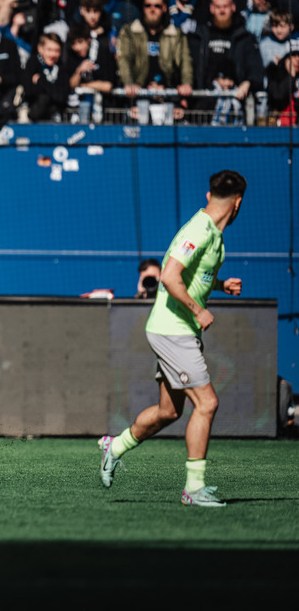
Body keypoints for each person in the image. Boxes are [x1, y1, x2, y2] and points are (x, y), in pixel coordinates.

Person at [98, 170, 247, 507]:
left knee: (169, 411)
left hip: (177, 329)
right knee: (207, 404)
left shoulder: (211, 233)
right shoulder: (199, 229)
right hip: (173, 330)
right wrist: (198, 310)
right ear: (237, 204)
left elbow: (192, 273)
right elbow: (169, 275)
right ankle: (193, 490)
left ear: (211, 197)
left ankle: (115, 446)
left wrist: (221, 286)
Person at [116, 0, 194, 124]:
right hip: (138, 96)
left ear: (164, 8)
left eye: (157, 6)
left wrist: (186, 84)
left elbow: (185, 61)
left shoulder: (176, 34)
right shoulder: (129, 31)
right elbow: (124, 59)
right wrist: (129, 83)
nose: (152, 10)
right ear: (143, 8)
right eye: (148, 6)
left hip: (168, 97)